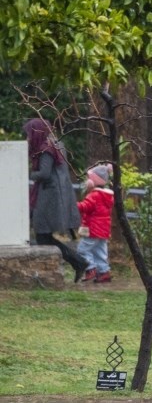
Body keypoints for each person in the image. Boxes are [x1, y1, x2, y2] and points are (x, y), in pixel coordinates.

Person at [25, 118, 89, 283]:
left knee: (42, 235)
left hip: (49, 198)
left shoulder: (46, 149)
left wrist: (26, 175)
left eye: (29, 134)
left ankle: (79, 262)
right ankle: (78, 262)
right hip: (54, 196)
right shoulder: (56, 144)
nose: (28, 138)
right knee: (43, 236)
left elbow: (45, 174)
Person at [77, 164, 114, 283]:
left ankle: (90, 268)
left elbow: (85, 207)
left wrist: (74, 205)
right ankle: (104, 272)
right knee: (100, 251)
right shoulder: (107, 196)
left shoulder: (94, 195)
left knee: (82, 250)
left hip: (93, 229)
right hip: (103, 230)